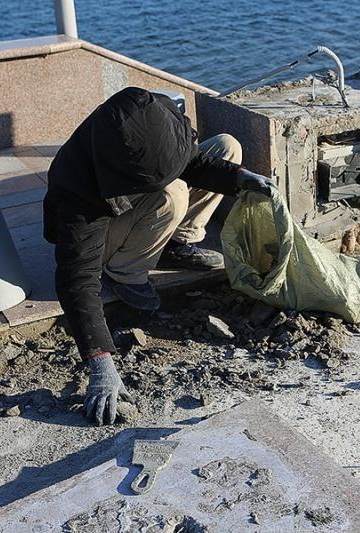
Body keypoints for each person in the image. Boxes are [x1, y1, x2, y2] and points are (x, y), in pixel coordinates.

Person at [43, 87, 275, 426]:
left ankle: (175, 243)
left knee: (227, 148)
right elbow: (76, 279)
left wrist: (239, 179)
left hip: (137, 193)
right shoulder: (78, 188)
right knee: (172, 194)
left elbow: (192, 162)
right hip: (103, 225)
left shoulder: (153, 111)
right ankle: (126, 271)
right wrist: (101, 363)